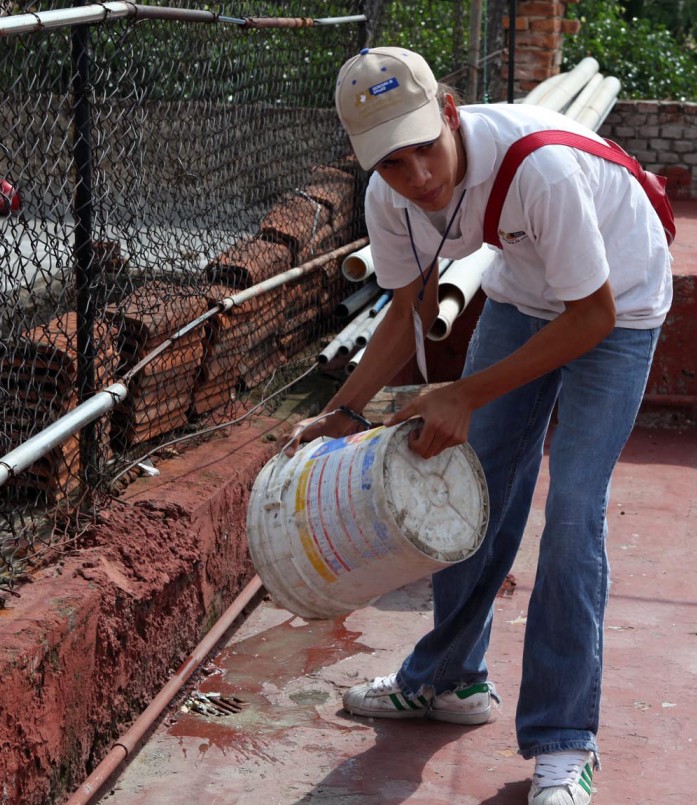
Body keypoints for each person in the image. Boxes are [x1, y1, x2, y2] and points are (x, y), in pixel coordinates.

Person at [288, 46, 672, 805]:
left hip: (620, 305)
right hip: (525, 294)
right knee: (468, 492)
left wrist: (464, 393)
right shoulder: (389, 199)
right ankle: (449, 679)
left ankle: (565, 742)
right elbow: (407, 309)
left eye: (427, 147)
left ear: (452, 112)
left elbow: (590, 316)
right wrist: (347, 407)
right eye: (393, 163)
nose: (419, 176)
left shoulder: (540, 168)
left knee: (570, 513)